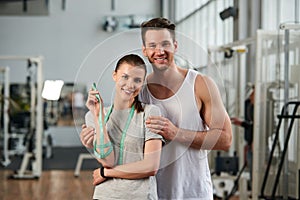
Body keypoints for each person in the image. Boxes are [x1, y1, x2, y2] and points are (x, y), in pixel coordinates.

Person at [81, 17, 232, 199]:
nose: (159, 51)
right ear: (144, 50)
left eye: (165, 44)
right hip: (150, 194)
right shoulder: (138, 90)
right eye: (152, 45)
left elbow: (225, 139)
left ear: (175, 46)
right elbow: (117, 143)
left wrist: (175, 132)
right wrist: (94, 136)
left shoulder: (200, 84)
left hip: (193, 192)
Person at [85, 54, 163, 200]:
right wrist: (99, 119)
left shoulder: (150, 112)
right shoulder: (93, 116)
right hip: (105, 195)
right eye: (125, 77)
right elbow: (107, 161)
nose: (130, 85)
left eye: (137, 80)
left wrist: (106, 173)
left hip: (140, 196)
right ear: (114, 76)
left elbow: (151, 166)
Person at [231, 86, 254, 184]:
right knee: (251, 169)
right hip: (250, 144)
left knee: (254, 169)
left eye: (253, 94)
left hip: (255, 146)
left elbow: (255, 127)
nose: (250, 96)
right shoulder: (250, 107)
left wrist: (253, 142)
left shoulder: (263, 110)